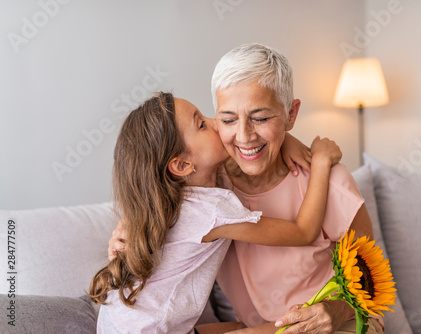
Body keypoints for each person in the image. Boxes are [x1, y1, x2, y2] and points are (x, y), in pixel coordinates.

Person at [110, 43, 382, 333]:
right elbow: (153, 182)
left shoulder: (331, 183)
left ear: (291, 115)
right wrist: (127, 226)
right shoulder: (213, 181)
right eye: (227, 119)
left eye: (261, 118)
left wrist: (335, 310)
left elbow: (371, 285)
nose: (243, 136)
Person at [89, 91, 341, 334]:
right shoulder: (211, 211)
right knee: (287, 327)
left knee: (243, 328)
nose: (216, 122)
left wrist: (285, 141)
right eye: (201, 125)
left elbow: (250, 149)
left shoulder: (173, 195)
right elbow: (303, 231)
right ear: (182, 165)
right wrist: (320, 163)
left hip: (118, 325)